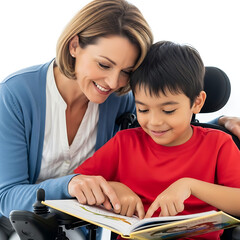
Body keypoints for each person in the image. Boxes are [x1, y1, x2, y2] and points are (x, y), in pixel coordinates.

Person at [0, 0, 153, 239]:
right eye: (104, 64)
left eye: (126, 72)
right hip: (16, 226)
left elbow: (164, 123)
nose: (114, 82)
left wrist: (222, 122)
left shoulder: (120, 99)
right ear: (74, 46)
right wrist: (70, 185)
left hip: (76, 231)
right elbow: (7, 196)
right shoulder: (15, 95)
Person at [74, 41, 240, 240]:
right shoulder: (124, 143)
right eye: (143, 110)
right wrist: (113, 188)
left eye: (168, 111)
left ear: (197, 102)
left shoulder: (219, 144)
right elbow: (78, 184)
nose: (154, 122)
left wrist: (190, 186)